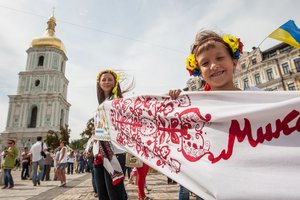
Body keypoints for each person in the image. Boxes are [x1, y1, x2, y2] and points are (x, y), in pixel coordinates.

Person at [169, 30, 244, 200]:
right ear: (199, 72)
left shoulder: (259, 98)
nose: (213, 66)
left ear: (234, 60)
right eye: (205, 63)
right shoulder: (195, 108)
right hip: (210, 189)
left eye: (219, 58)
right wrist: (172, 104)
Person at [93, 69, 129, 200]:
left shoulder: (119, 102)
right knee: (103, 195)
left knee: (115, 195)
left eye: (110, 79)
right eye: (104, 79)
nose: (106, 82)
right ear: (99, 83)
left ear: (115, 83)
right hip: (99, 155)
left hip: (114, 153)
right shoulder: (101, 104)